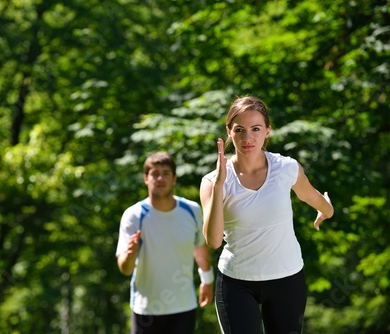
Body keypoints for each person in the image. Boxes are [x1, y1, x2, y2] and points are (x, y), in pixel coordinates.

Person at [200, 96, 334, 333]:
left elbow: (311, 197)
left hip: (287, 279)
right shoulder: (212, 182)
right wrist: (220, 185)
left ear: (268, 131)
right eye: (239, 129)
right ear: (229, 132)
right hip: (236, 283)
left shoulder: (286, 168)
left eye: (256, 129)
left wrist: (327, 210)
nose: (247, 137)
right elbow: (213, 241)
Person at [116, 152, 214, 334]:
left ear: (174, 178)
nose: (160, 178)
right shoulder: (134, 215)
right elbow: (125, 268)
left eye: (166, 173)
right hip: (145, 310)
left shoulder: (192, 211)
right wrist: (130, 254)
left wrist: (207, 280)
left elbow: (200, 249)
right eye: (155, 173)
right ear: (146, 178)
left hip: (183, 307)